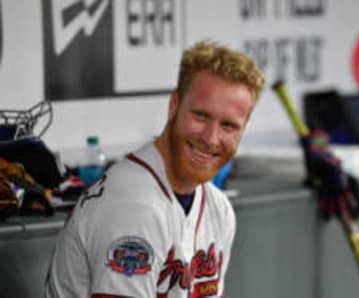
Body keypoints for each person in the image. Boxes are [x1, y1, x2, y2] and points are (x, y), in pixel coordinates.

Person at [45, 40, 265, 298]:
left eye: (228, 125)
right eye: (201, 116)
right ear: (174, 106)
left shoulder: (218, 210)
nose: (211, 138)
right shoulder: (134, 204)